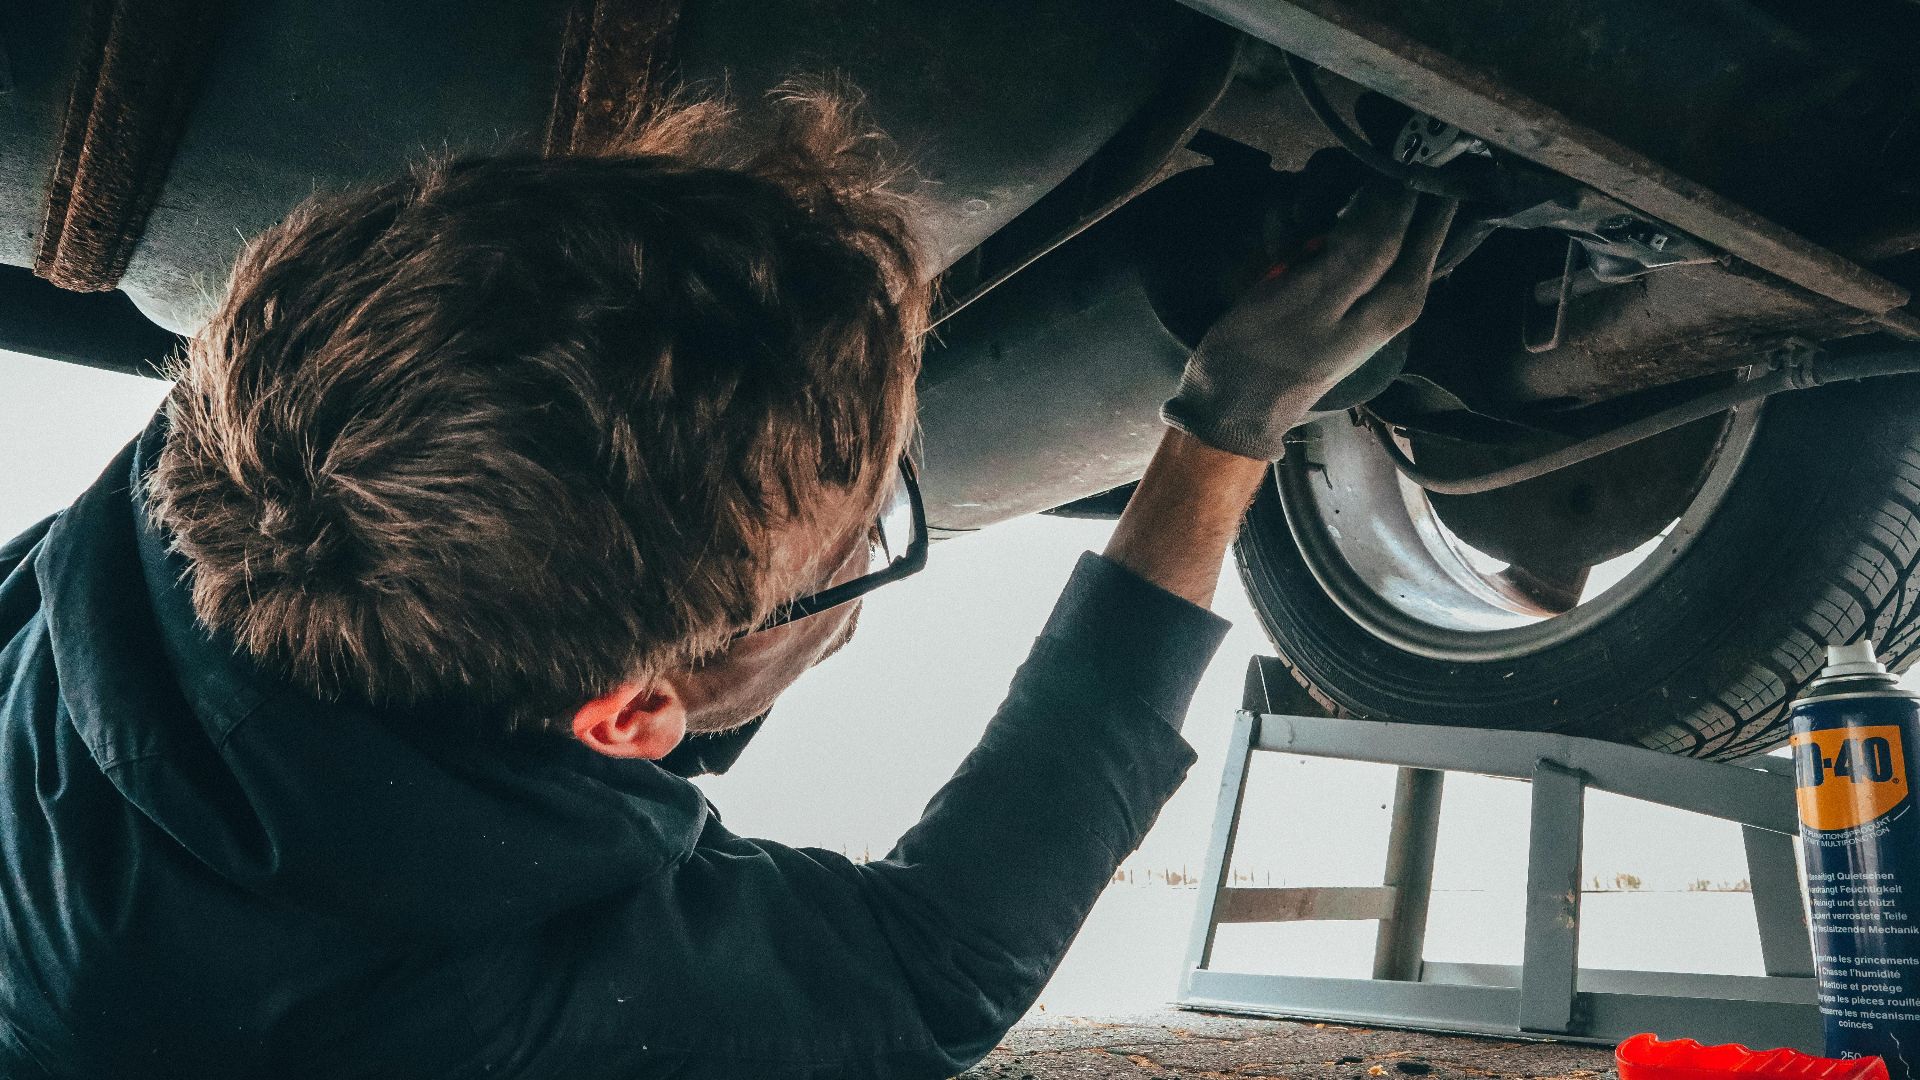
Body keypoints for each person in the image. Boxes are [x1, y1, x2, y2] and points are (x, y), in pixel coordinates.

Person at [0, 89, 1454, 1079]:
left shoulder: (266, 429)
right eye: (864, 538)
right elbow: (935, 969)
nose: (871, 539)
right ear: (628, 715)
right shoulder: (438, 1005)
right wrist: (1224, 430)